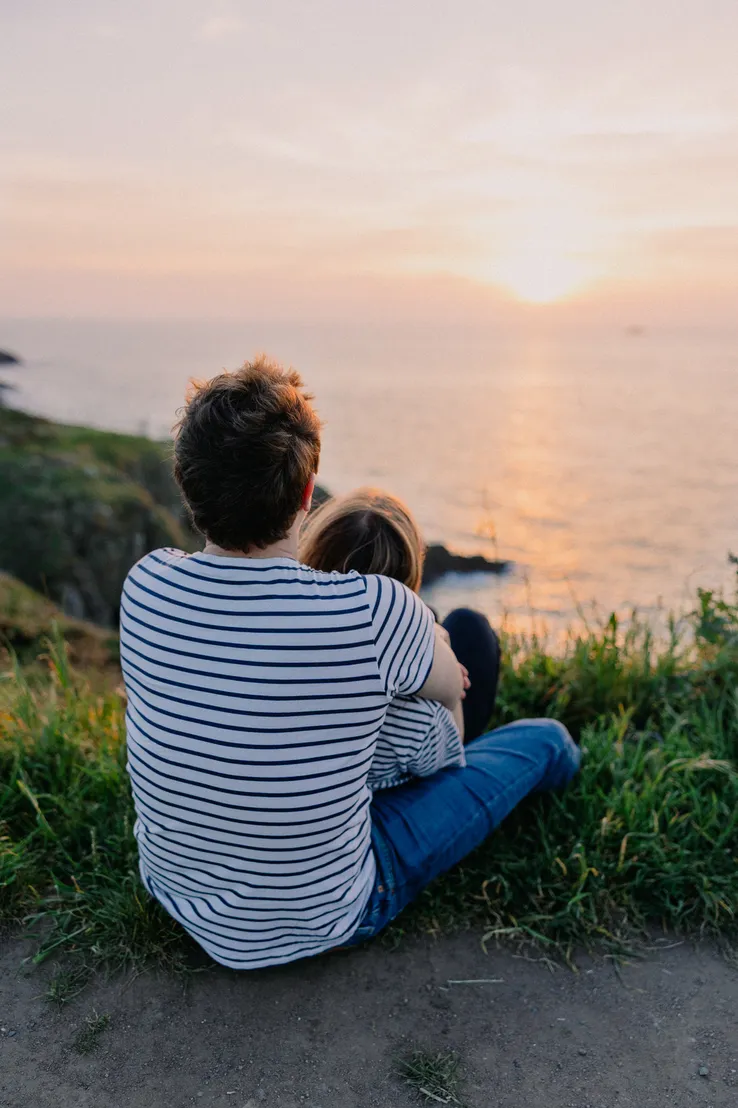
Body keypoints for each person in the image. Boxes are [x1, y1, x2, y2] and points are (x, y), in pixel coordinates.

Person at [119, 356, 580, 970]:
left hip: (182, 897)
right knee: (544, 740)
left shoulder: (145, 585)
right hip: (327, 913)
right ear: (308, 493)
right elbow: (450, 696)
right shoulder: (375, 609)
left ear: (186, 484)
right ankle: (569, 768)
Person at [300, 487, 501, 789]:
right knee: (547, 741)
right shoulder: (414, 718)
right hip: (407, 782)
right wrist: (445, 664)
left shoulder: (288, 633)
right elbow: (452, 748)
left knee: (442, 619)